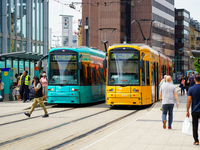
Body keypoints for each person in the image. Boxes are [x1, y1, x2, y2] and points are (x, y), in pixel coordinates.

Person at [186, 74, 200, 145]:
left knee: (195, 125)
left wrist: (187, 111)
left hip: (194, 110)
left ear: (194, 80)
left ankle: (196, 140)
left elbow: (189, 101)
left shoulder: (191, 89)